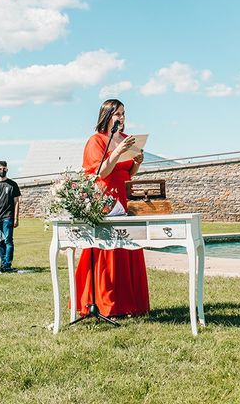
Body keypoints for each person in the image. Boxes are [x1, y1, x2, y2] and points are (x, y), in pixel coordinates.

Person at [75, 98, 150, 317]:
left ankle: (130, 304)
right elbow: (101, 173)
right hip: (105, 198)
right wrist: (117, 153)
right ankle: (105, 303)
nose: (122, 118)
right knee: (107, 250)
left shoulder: (127, 139)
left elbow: (128, 174)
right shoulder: (96, 140)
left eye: (124, 113)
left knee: (127, 247)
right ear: (107, 115)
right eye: (118, 114)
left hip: (124, 196)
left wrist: (137, 161)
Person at [0, 160, 21, 272]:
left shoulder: (12, 185)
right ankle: (2, 263)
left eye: (4, 168)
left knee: (8, 240)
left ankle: (8, 264)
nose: (2, 170)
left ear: (7, 169)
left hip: (8, 217)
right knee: (0, 241)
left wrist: (16, 218)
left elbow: (17, 202)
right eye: (0, 169)